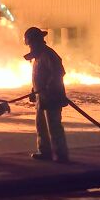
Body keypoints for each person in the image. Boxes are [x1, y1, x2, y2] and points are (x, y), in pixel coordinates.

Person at [23, 26, 69, 162]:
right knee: (41, 125)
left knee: (53, 126)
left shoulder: (48, 54)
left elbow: (59, 72)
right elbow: (40, 76)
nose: (30, 47)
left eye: (30, 43)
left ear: (36, 41)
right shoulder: (38, 56)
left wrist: (49, 87)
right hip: (41, 97)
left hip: (52, 97)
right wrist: (34, 91)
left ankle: (60, 154)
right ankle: (45, 151)